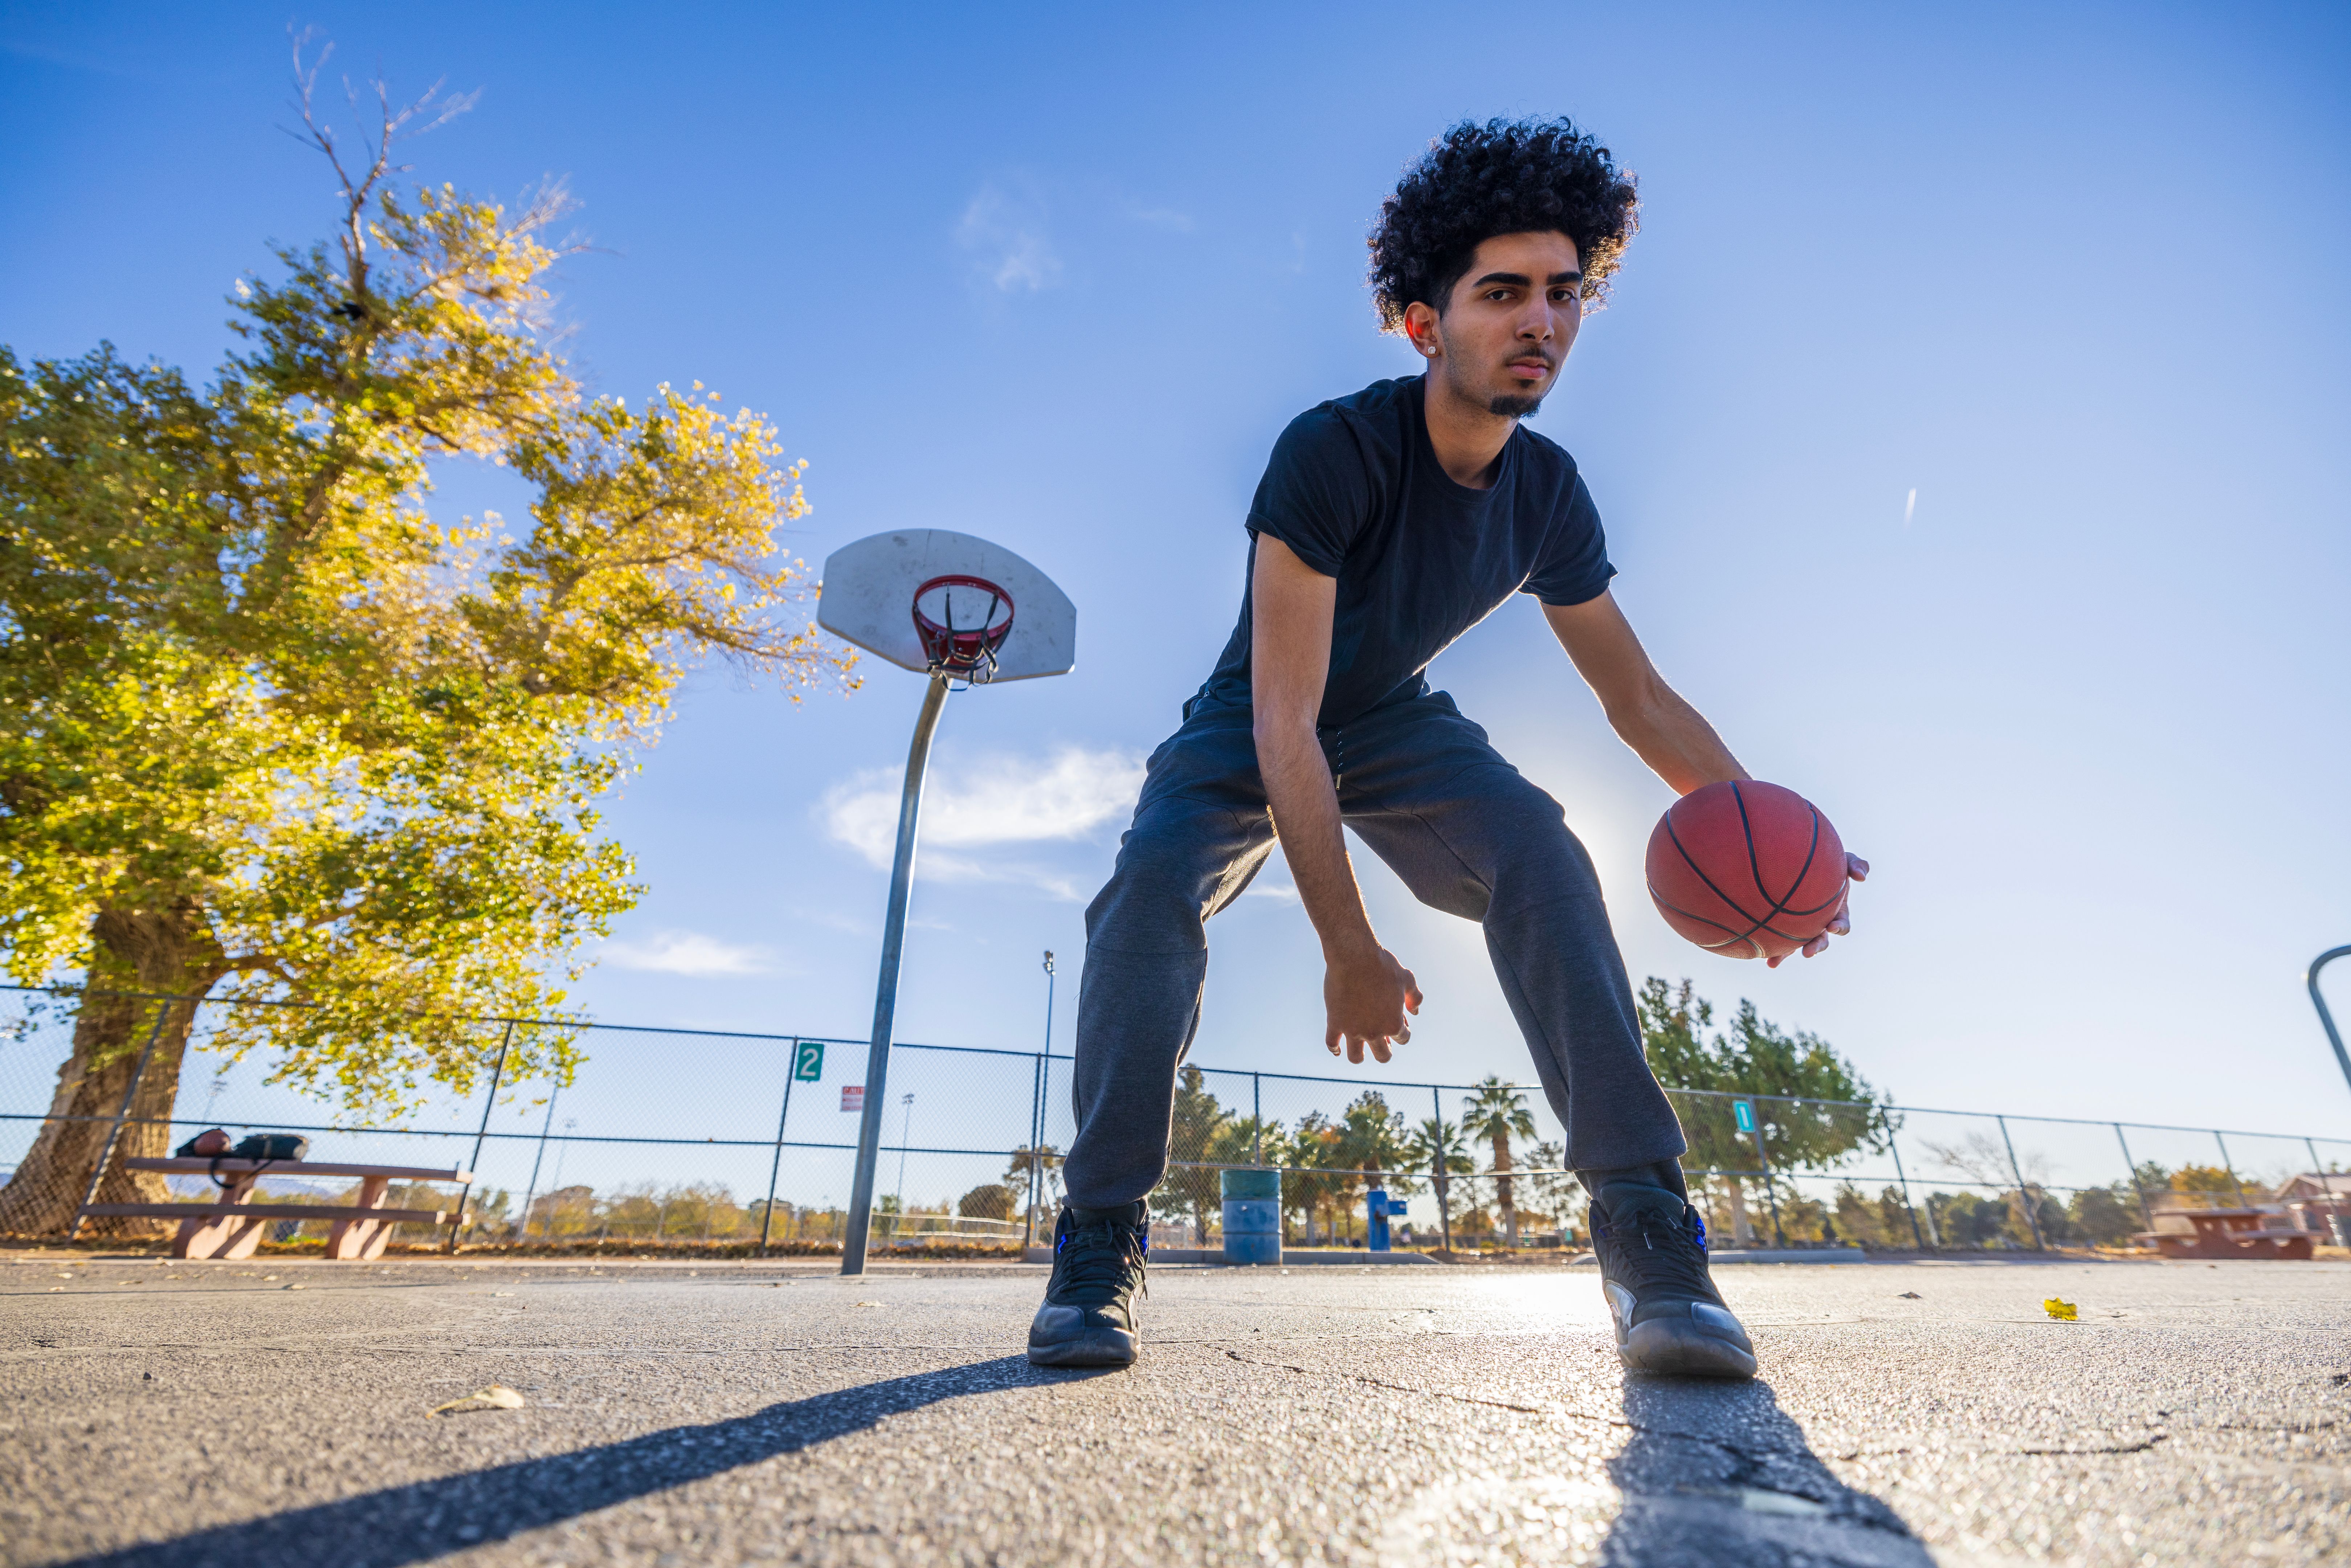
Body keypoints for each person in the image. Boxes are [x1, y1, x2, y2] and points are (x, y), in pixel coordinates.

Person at [1026, 118, 1866, 1377]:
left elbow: (1637, 699)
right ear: (1425, 323)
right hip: (1258, 714)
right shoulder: (1334, 452)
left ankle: (1647, 1234)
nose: (1541, 320)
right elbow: (1283, 722)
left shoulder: (1549, 495)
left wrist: (1779, 846)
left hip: (1398, 724)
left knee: (1538, 845)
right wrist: (1350, 945)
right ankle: (1100, 1237)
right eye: (1503, 292)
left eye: (1563, 293)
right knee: (1148, 891)